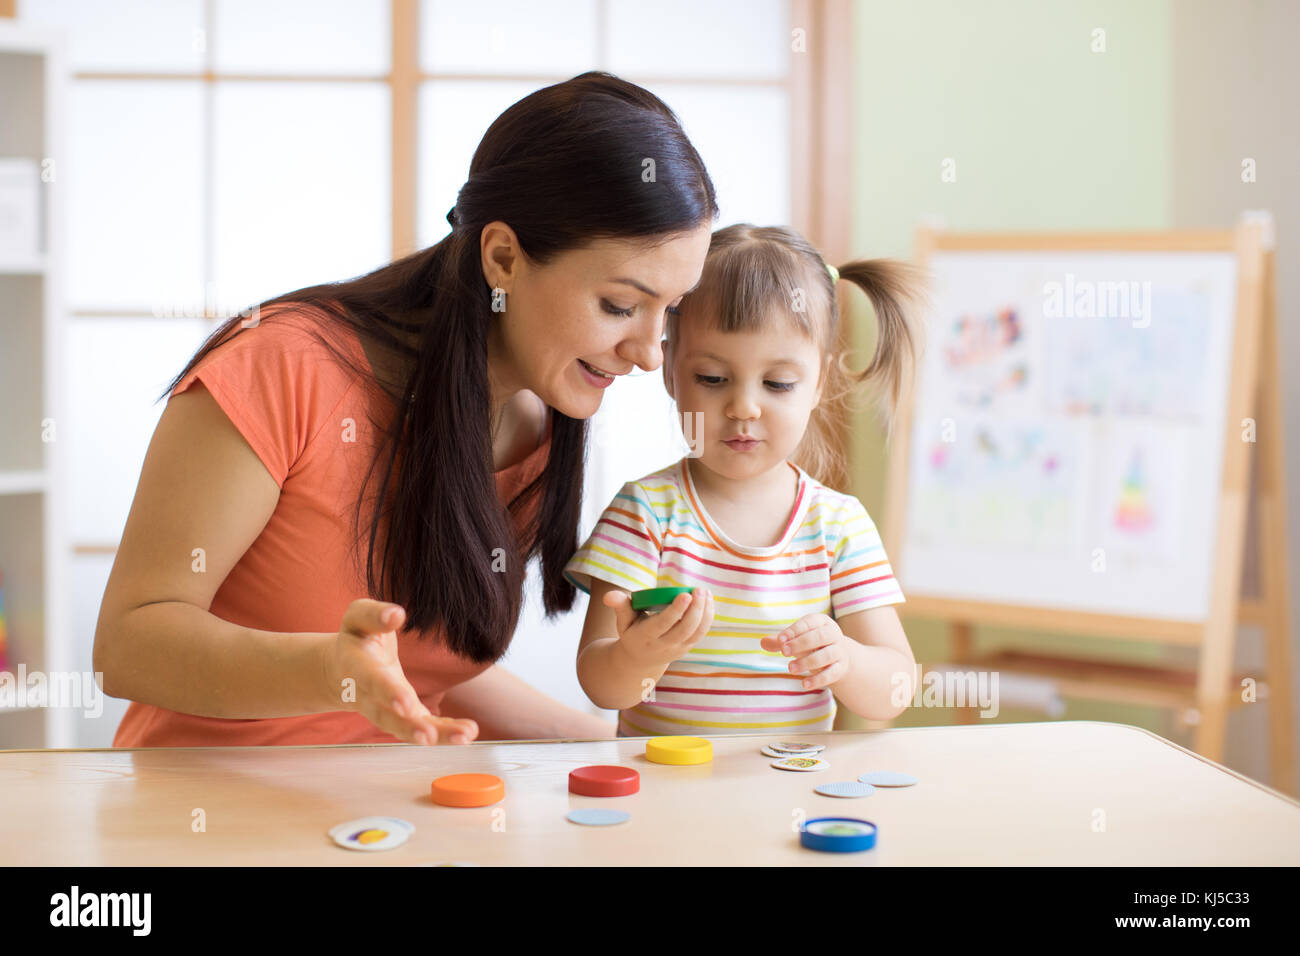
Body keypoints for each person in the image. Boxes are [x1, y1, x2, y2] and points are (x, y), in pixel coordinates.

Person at [95, 72, 717, 747]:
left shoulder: (534, 423)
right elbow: (129, 644)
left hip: (390, 823)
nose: (650, 354)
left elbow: (416, 667)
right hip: (208, 819)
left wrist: (604, 743)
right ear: (503, 257)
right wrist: (326, 669)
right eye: (621, 306)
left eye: (670, 311)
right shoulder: (281, 366)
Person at [564, 223, 926, 736]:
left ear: (819, 382)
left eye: (778, 383)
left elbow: (895, 687)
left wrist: (844, 658)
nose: (744, 407)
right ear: (670, 373)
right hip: (667, 799)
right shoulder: (645, 512)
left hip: (790, 793)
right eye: (712, 379)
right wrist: (636, 658)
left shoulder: (838, 526)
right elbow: (599, 683)